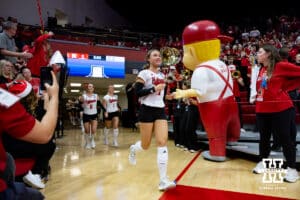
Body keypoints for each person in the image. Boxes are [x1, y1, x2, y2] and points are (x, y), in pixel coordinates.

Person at [174, 20, 240, 162]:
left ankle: (217, 153)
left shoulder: (201, 69)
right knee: (232, 126)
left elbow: (199, 91)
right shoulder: (223, 64)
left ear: (191, 51)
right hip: (231, 104)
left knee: (216, 133)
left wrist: (183, 93)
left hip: (213, 107)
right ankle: (233, 139)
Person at [0, 70, 58, 199]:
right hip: (22, 146)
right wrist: (54, 96)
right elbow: (45, 133)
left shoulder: (7, 97)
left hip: (9, 146)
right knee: (49, 144)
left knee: (8, 158)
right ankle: (37, 172)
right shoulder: (7, 104)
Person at [128, 49, 176, 191]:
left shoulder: (162, 75)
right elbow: (137, 92)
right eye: (155, 55)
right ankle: (133, 149)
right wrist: (153, 88)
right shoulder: (144, 73)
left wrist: (169, 97)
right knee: (145, 145)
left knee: (162, 142)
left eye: (159, 55)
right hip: (146, 110)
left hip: (160, 110)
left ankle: (162, 180)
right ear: (148, 59)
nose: (158, 57)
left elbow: (161, 96)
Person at [252, 44, 300, 183]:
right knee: (264, 139)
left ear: (268, 54)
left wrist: (286, 88)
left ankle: (292, 169)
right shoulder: (262, 69)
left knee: (285, 139)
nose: (257, 53)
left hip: (281, 109)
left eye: (260, 52)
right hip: (262, 109)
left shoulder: (281, 66)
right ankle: (262, 162)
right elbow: (264, 87)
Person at [79, 83, 100, 149]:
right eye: (88, 86)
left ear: (93, 88)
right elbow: (80, 102)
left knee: (93, 130)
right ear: (87, 88)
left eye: (91, 86)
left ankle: (92, 140)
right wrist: (81, 98)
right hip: (86, 114)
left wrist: (105, 111)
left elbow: (99, 105)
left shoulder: (96, 96)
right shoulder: (84, 96)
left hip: (94, 114)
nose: (89, 87)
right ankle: (87, 142)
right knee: (87, 130)